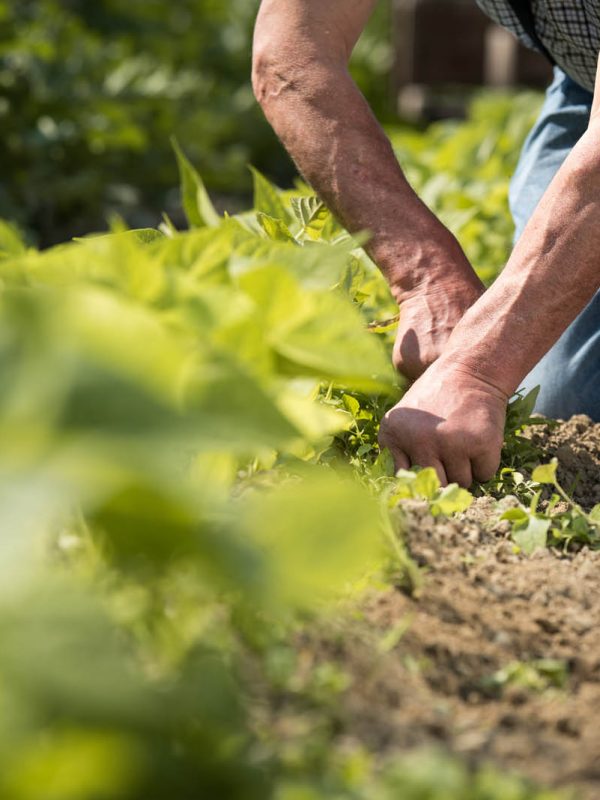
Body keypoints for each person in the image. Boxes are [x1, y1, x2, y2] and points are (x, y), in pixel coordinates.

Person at [252, 0, 600, 488]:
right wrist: (427, 279)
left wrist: (476, 369)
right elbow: (291, 54)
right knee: (565, 403)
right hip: (587, 78)